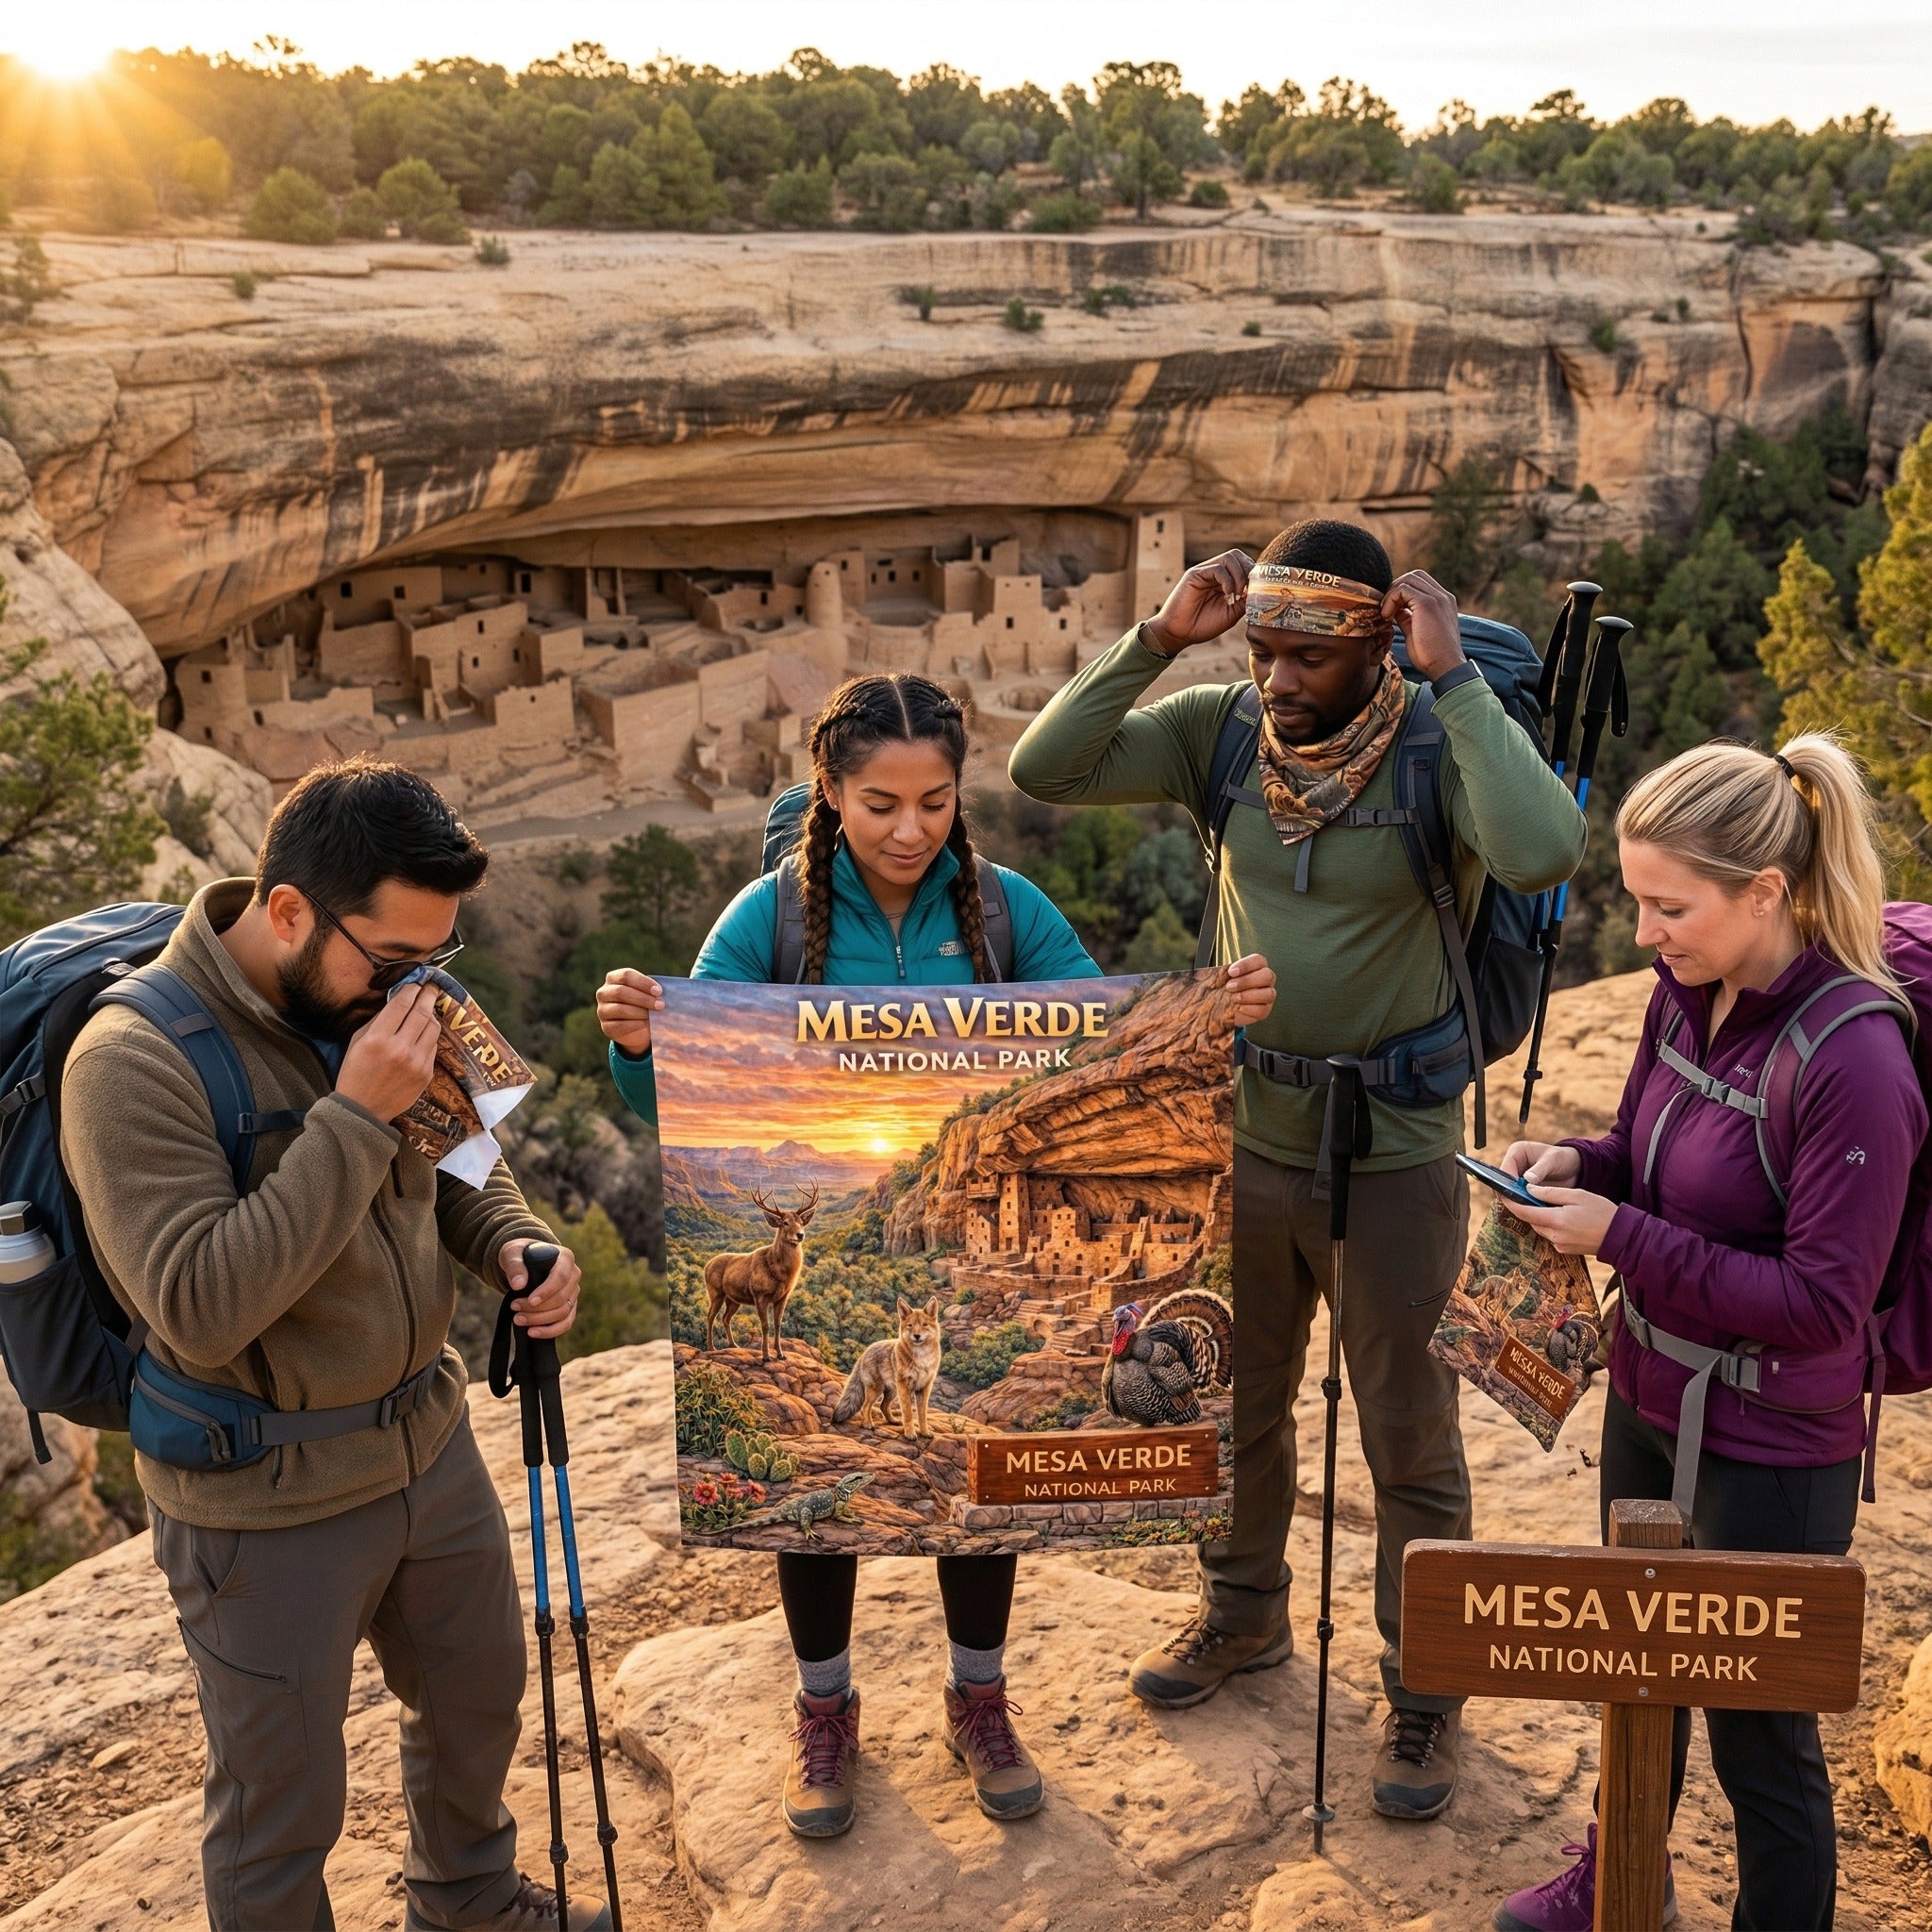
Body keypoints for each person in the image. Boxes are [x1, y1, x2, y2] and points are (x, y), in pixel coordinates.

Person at [596, 671, 1277, 1840]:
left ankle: (978, 1693)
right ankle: (825, 1709)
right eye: (878, 804)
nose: (910, 830)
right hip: (892, 1228)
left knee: (985, 1477)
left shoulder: (1005, 911)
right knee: (815, 1512)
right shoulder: (769, 917)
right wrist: (635, 1041)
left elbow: (1110, 1033)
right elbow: (691, 1076)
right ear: (829, 792)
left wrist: (1210, 1012)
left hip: (956, 1258)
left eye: (933, 801)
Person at [1008, 521, 1586, 1819]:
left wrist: (1457, 679)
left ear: (1376, 640)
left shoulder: (1438, 742)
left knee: (1407, 1433)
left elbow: (1545, 851)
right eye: (1265, 648)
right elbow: (1044, 767)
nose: (1279, 676)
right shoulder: (1221, 730)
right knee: (1235, 1400)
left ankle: (1426, 1687)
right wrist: (1162, 638)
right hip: (1247, 1136)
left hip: (1396, 1153)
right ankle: (1244, 1615)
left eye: (1307, 655)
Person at [59, 759, 606, 1932]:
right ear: (292, 910)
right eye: (395, 958)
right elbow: (200, 1302)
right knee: (280, 1806)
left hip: (426, 1447)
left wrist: (516, 1244)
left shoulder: (368, 997)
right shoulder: (130, 1062)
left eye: (437, 959)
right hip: (262, 1500)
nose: (419, 989)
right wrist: (354, 1113)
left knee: (476, 1703)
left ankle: (465, 1904)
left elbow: (463, 1164)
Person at [1491, 736, 1924, 1932]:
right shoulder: (1688, 992)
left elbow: (1819, 1304)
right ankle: (1624, 1875)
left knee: (1760, 1738)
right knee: (1639, 1672)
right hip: (1649, 1387)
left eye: (1666, 905)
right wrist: (1574, 1165)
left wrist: (1615, 1236)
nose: (1642, 934)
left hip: (1776, 1442)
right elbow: (1644, 1153)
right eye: (1636, 900)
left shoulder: (1858, 1061)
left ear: (1764, 893)